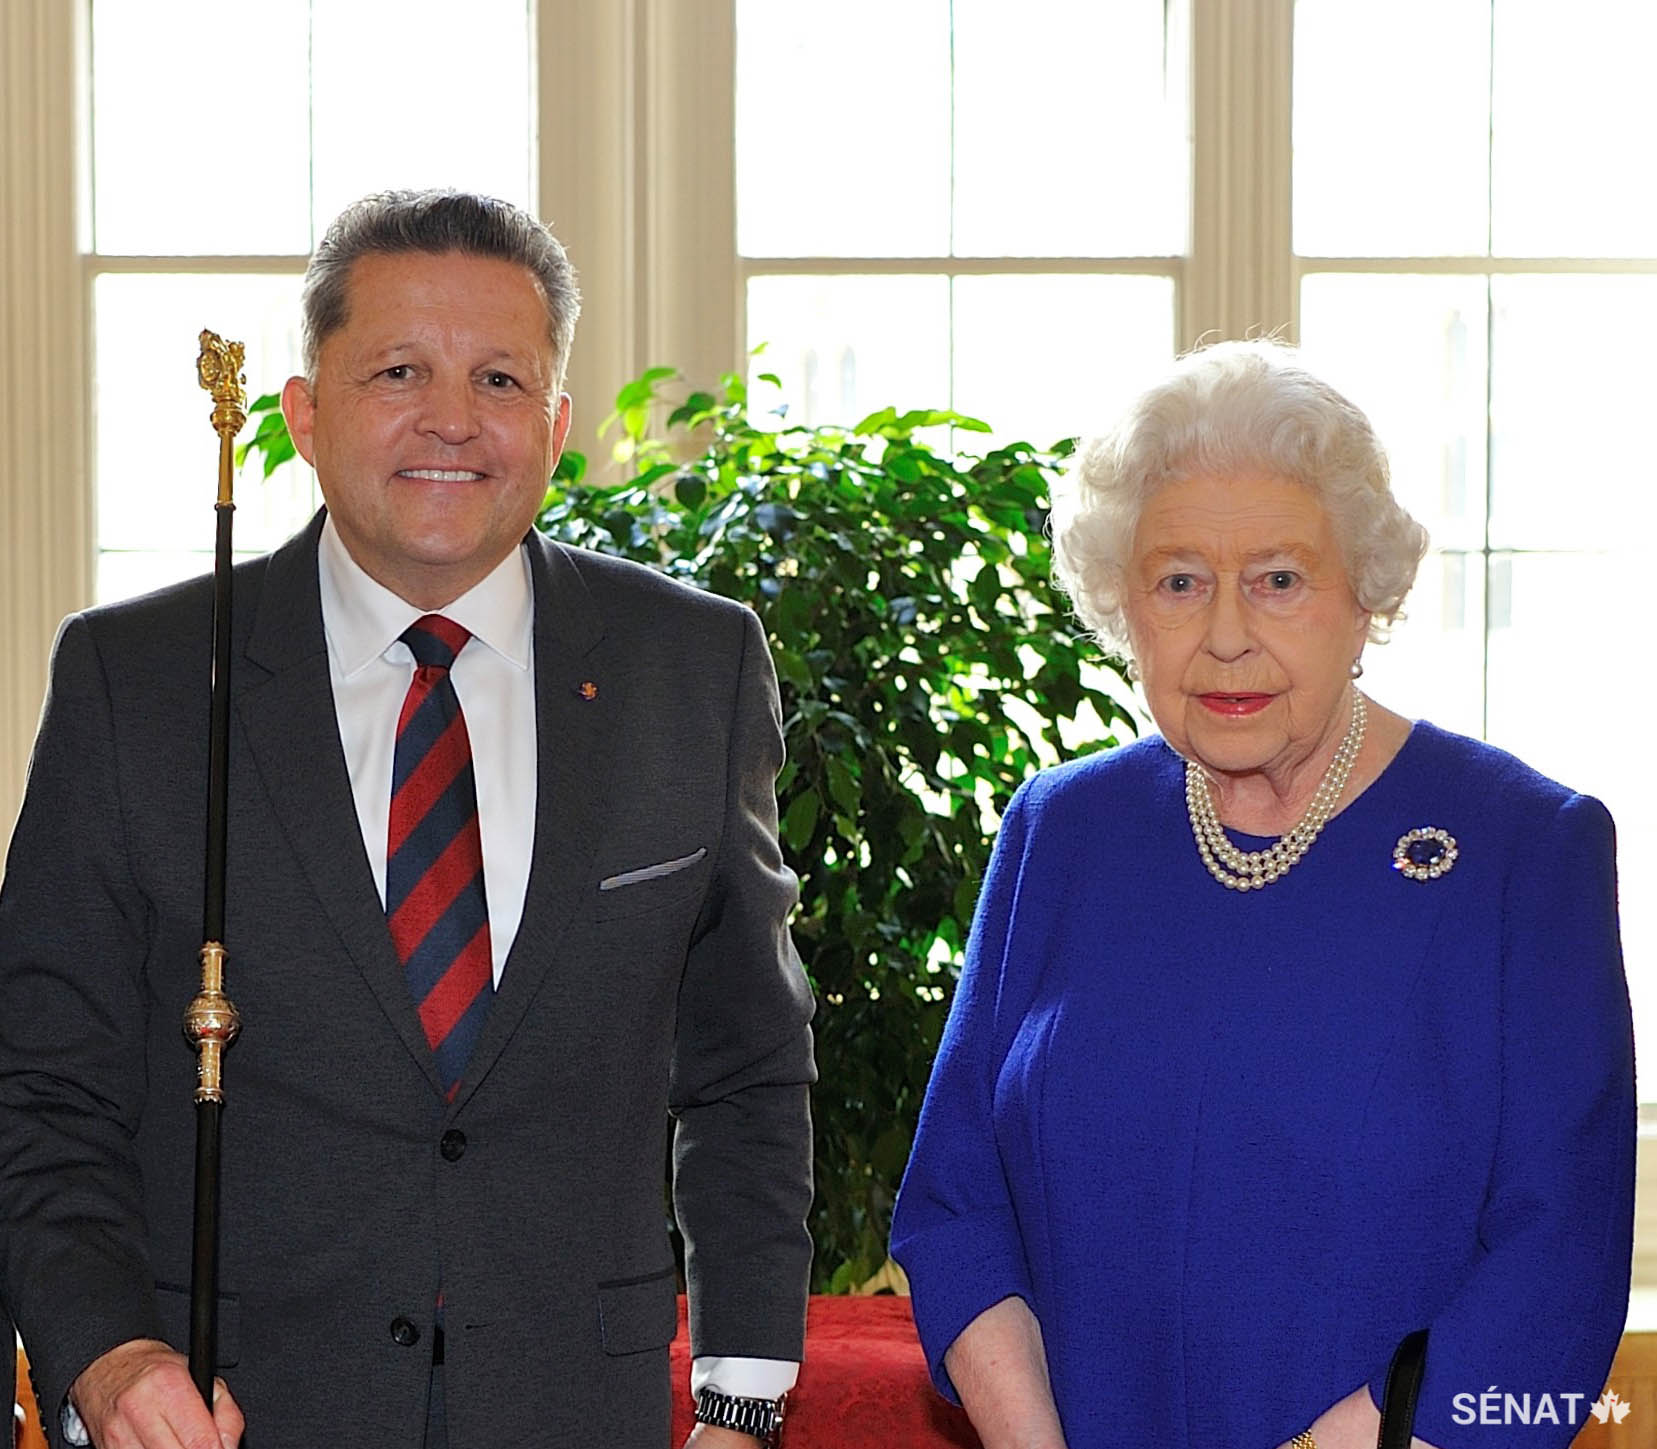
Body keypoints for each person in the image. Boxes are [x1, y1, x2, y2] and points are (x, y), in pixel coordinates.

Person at [0, 190, 814, 1449]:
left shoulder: (690, 667)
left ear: (556, 426)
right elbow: (42, 1082)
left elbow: (748, 1064)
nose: (451, 419)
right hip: (231, 1409)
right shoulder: (143, 679)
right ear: (303, 414)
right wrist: (108, 1355)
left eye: (500, 379)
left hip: (575, 1407)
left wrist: (742, 1394)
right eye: (398, 370)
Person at [889, 339, 1634, 1449]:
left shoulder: (1525, 849)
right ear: (1123, 606)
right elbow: (955, 1205)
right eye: (1179, 581)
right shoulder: (1061, 829)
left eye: (1278, 579)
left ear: (1363, 595)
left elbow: (1557, 1266)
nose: (1226, 634)